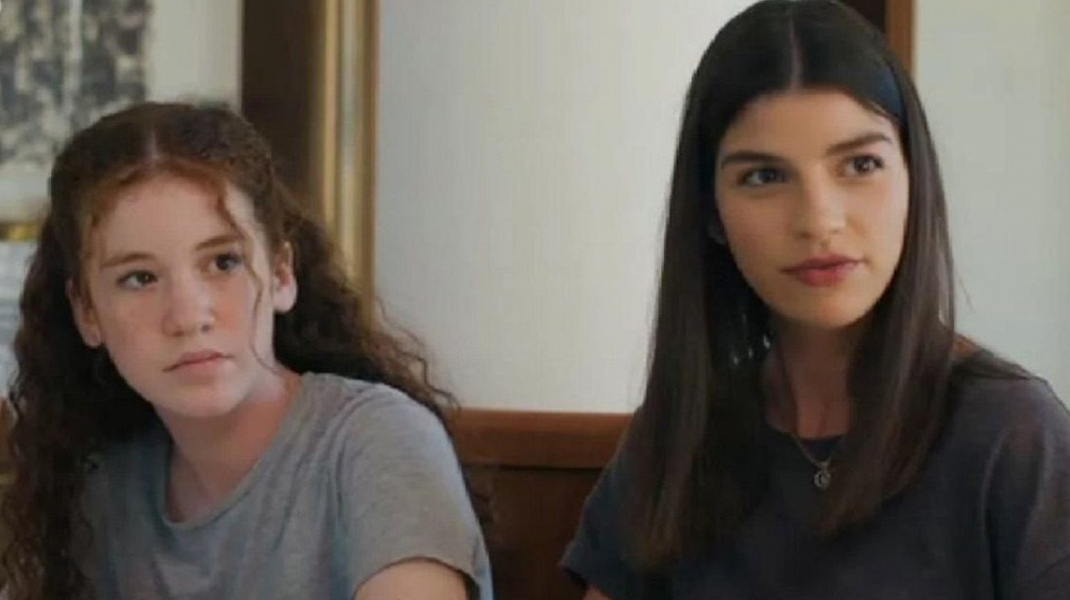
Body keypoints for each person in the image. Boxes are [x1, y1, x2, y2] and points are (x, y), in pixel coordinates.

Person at [562, 1, 1070, 598]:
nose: (819, 220)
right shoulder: (680, 434)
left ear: (915, 180)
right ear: (712, 214)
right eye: (764, 176)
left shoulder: (1013, 437)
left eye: (860, 164)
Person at [0, 102, 493, 600]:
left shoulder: (378, 440)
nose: (188, 316)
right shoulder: (102, 488)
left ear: (281, 275)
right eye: (140, 278)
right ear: (87, 312)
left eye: (223, 262)